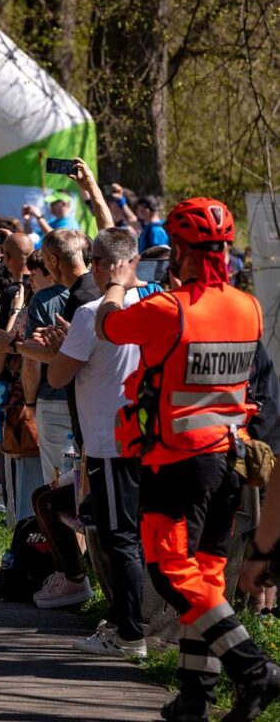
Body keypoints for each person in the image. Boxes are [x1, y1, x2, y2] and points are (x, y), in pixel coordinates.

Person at [96, 198, 280, 721]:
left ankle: (253, 669)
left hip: (177, 462)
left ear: (178, 250)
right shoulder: (248, 307)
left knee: (171, 572)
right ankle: (196, 696)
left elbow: (109, 326)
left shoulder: (166, 309)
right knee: (205, 574)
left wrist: (117, 278)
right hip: (230, 458)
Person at [42, 228, 147, 655]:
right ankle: (139, 624)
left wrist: (60, 346)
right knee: (141, 536)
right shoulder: (152, 304)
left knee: (118, 536)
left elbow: (58, 376)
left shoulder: (88, 315)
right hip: (148, 437)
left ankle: (131, 633)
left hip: (107, 439)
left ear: (102, 266)